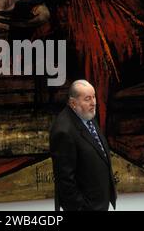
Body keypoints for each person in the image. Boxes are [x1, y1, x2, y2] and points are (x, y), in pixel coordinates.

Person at [50, 80, 117, 211]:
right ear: (73, 103)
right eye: (87, 99)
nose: (93, 103)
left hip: (98, 202)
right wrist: (81, 208)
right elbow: (65, 181)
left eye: (94, 97)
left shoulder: (86, 115)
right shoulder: (63, 131)